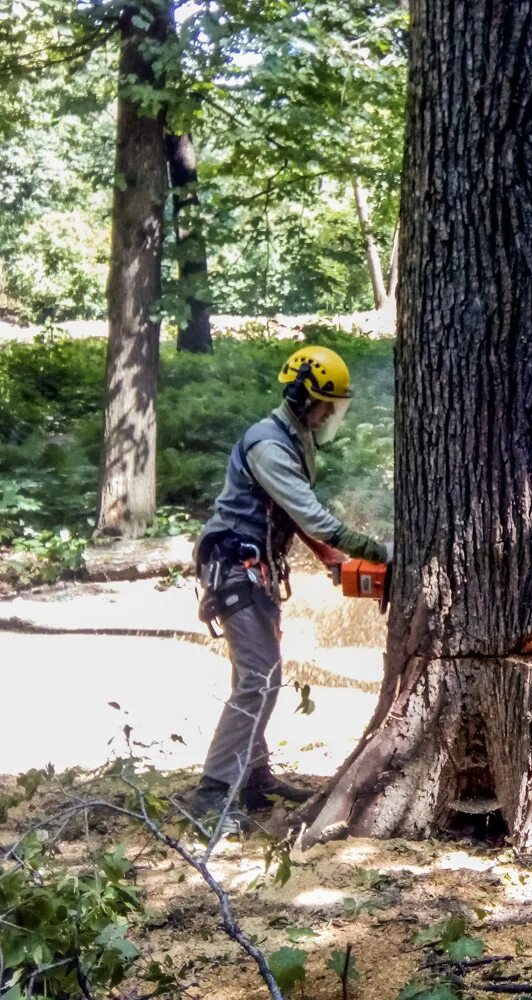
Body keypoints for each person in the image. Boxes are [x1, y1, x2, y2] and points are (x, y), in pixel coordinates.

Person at [190, 345, 391, 833]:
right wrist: (374, 548)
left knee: (264, 674)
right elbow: (311, 515)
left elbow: (290, 515)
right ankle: (214, 792)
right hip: (236, 566)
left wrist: (335, 561)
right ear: (302, 397)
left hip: (255, 567)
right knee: (258, 679)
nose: (328, 414)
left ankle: (254, 776)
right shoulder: (269, 444)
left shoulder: (293, 439)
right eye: (324, 404)